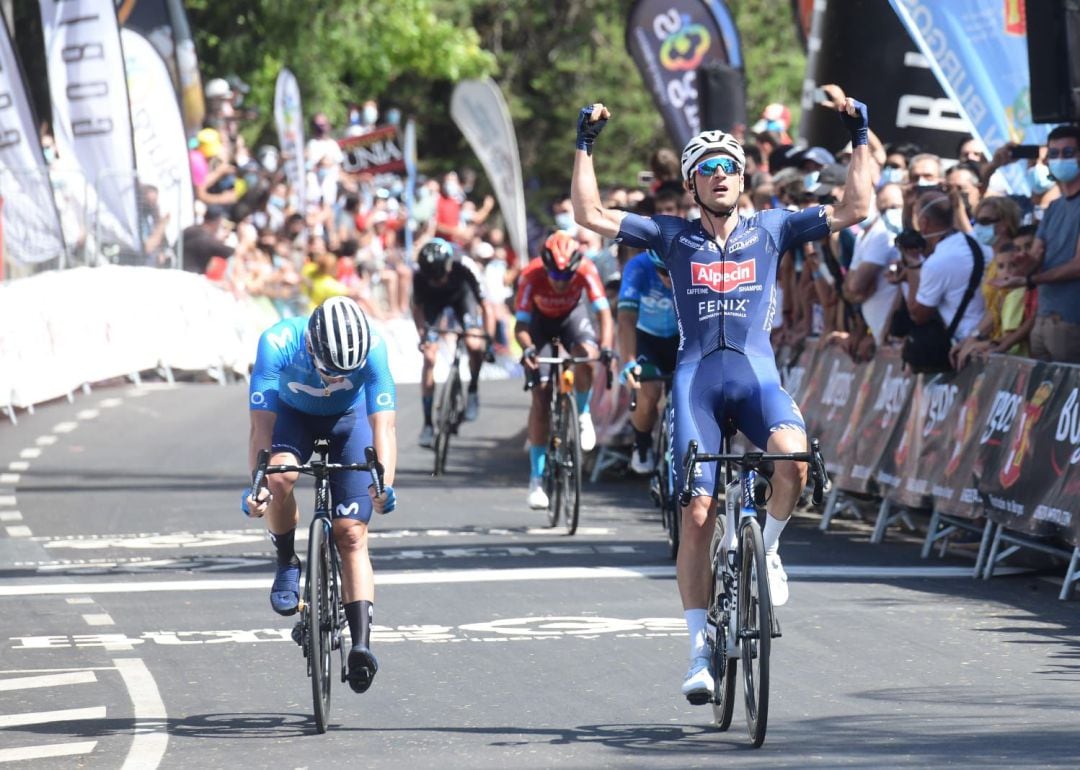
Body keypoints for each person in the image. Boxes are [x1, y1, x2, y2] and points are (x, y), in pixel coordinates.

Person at [570, 84, 872, 703]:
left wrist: (859, 139)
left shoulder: (773, 227)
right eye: (707, 169)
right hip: (696, 380)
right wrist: (585, 146)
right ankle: (698, 650)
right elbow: (589, 215)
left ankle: (774, 547)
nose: (720, 176)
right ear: (692, 183)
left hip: (757, 375)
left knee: (792, 456)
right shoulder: (671, 236)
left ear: (744, 177)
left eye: (730, 167)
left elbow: (855, 206)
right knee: (698, 514)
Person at [244, 296, 397, 694]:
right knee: (280, 479)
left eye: (344, 374)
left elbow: (384, 427)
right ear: (311, 346)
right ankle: (285, 561)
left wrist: (383, 485)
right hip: (292, 417)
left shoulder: (374, 348)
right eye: (329, 372)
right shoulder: (276, 343)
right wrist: (258, 484)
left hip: (350, 421)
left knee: (350, 534)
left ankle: (361, 644)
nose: (333, 381)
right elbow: (261, 428)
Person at [515, 231, 615, 509]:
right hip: (539, 325)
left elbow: (604, 313)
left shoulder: (586, 269)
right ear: (545, 267)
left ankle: (582, 413)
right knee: (542, 394)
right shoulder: (531, 274)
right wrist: (527, 350)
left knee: (587, 355)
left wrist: (605, 347)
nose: (560, 283)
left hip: (573, 317)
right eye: (555, 277)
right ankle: (536, 478)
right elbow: (520, 327)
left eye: (566, 278)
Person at [994, 125, 1080, 363]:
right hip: (1043, 319)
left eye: (1068, 152)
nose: (1060, 159)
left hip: (1071, 322)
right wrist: (1023, 264)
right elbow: (1036, 255)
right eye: (1053, 154)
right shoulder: (1054, 208)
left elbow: (1077, 266)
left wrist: (1031, 279)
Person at [411, 237, 495, 446]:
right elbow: (417, 309)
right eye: (432, 276)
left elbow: (486, 306)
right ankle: (428, 423)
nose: (437, 280)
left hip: (462, 298)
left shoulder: (465, 265)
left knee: (474, 344)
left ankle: (473, 388)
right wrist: (423, 336)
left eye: (440, 275)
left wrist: (489, 341)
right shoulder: (419, 275)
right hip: (433, 302)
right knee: (429, 358)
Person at [617, 248, 678, 474]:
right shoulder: (638, 267)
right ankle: (641, 442)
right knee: (649, 393)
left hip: (681, 337)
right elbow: (625, 318)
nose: (668, 277)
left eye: (673, 270)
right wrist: (629, 362)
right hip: (647, 339)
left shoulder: (692, 263)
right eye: (662, 271)